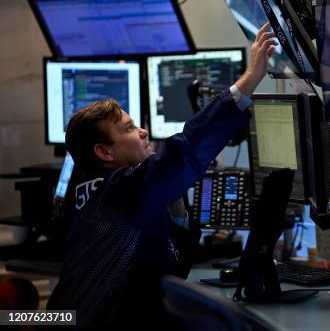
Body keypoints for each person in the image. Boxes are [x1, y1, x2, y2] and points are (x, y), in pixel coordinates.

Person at [47, 23, 277, 328]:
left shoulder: (100, 192)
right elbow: (184, 152)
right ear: (105, 153)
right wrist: (249, 81)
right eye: (129, 128)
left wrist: (175, 200)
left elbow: (170, 267)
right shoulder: (117, 191)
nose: (142, 131)